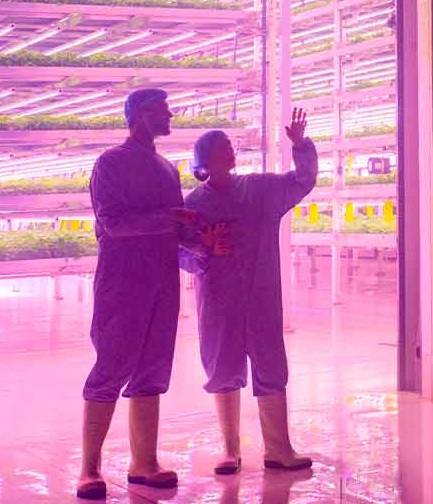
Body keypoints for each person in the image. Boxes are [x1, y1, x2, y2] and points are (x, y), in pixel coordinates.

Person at [76, 88, 206, 499]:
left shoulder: (168, 169)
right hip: (122, 282)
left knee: (153, 368)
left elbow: (177, 228)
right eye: (163, 111)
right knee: (112, 366)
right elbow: (112, 224)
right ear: (140, 116)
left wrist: (200, 239)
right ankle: (89, 468)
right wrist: (169, 219)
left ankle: (144, 462)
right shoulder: (110, 164)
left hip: (162, 281)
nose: (170, 116)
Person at [180, 107, 320, 475]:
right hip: (218, 298)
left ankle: (279, 449)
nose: (231, 150)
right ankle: (230, 451)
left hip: (261, 295)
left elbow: (302, 181)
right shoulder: (192, 205)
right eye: (221, 146)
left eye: (230, 145)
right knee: (222, 365)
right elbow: (177, 249)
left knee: (270, 362)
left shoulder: (259, 189)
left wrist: (301, 145)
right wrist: (203, 249)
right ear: (204, 160)